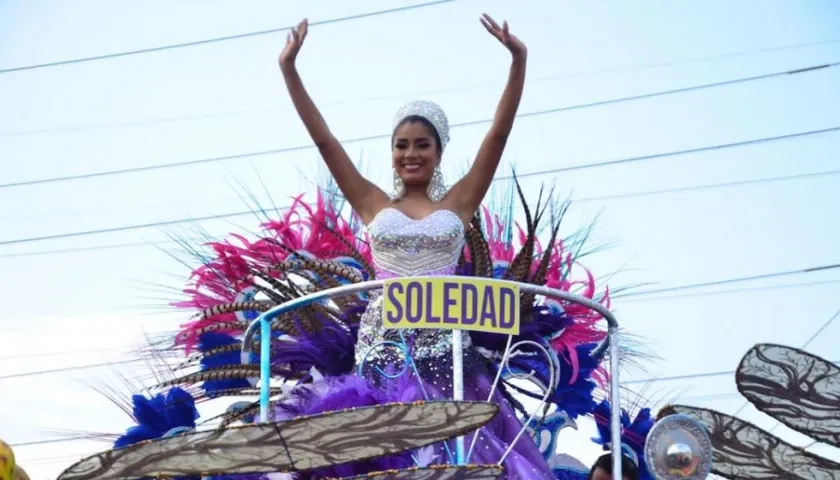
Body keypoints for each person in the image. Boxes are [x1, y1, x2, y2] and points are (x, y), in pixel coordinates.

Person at [274, 13, 561, 479]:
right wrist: (290, 69)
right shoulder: (370, 202)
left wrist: (518, 60)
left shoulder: (459, 203)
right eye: (401, 145)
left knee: (459, 452)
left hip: (446, 351)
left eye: (422, 144)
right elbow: (325, 141)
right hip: (383, 349)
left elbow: (498, 136)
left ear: (438, 152)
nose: (411, 154)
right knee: (381, 454)